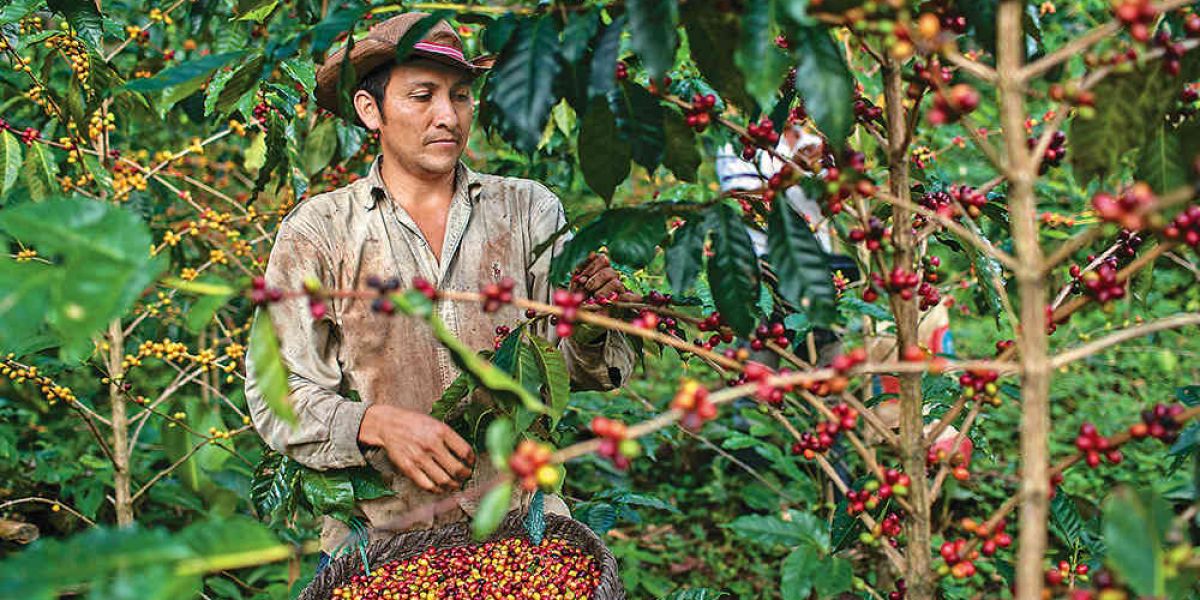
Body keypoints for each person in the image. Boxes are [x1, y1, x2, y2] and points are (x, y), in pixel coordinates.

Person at [244, 12, 637, 568]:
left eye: (460, 96)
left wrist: (595, 325)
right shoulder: (319, 231)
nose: (447, 116)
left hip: (525, 532)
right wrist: (372, 424)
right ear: (368, 109)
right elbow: (277, 398)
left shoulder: (527, 210)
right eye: (422, 96)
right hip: (381, 543)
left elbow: (571, 367)